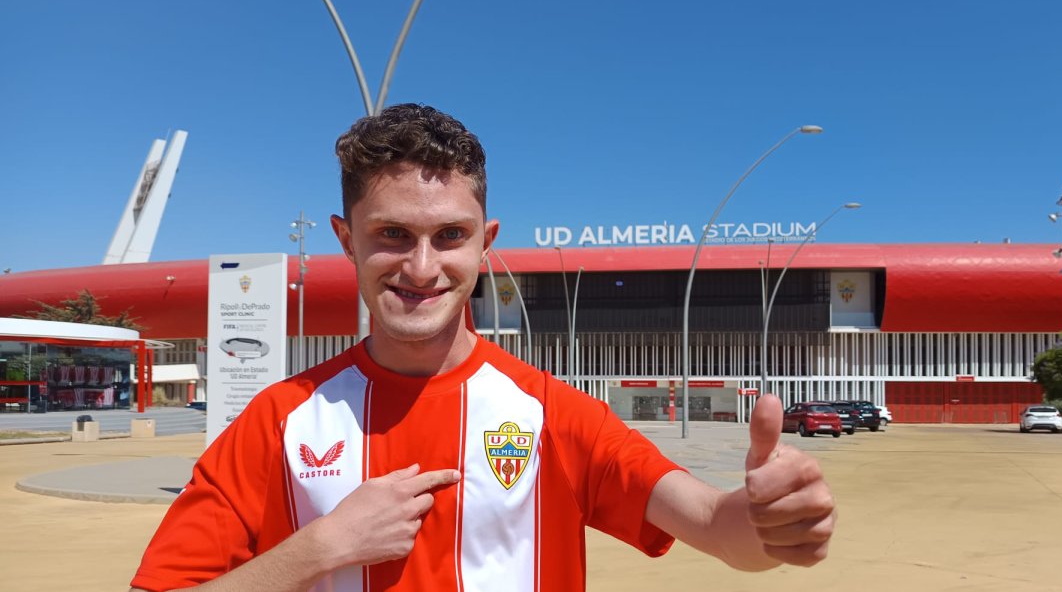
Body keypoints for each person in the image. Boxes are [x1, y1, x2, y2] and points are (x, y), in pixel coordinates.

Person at [130, 103, 835, 592]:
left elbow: (713, 523)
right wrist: (324, 546)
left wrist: (769, 523)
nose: (422, 266)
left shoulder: (553, 412)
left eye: (450, 235)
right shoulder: (279, 419)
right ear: (346, 239)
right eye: (393, 234)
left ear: (485, 242)